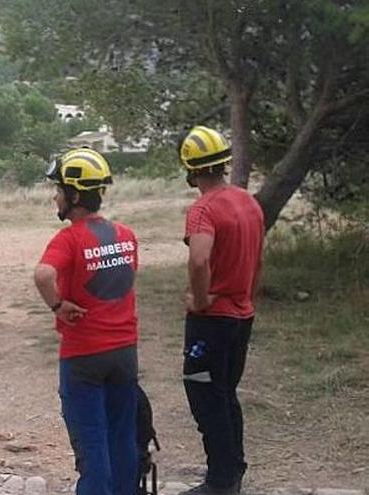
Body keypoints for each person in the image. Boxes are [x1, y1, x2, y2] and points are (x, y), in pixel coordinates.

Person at [33, 148, 140, 495]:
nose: (55, 196)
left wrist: (58, 305)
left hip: (83, 355)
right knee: (123, 439)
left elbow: (43, 274)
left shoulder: (69, 238)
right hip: (124, 352)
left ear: (75, 195)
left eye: (59, 189)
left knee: (92, 449)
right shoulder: (126, 234)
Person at [177, 126, 264, 495]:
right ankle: (233, 471)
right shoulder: (248, 201)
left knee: (204, 394)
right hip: (242, 316)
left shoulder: (203, 209)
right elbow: (256, 255)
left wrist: (200, 299)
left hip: (210, 322)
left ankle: (219, 482)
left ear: (190, 169)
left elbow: (199, 260)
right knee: (226, 393)